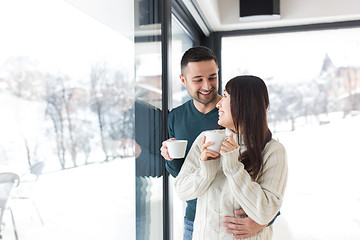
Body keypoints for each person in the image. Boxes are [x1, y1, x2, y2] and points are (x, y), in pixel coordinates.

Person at [160, 46, 274, 240]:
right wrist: (170, 159)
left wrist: (263, 222)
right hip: (195, 218)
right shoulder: (176, 117)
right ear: (183, 80)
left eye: (212, 77)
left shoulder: (236, 114)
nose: (207, 86)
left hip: (236, 221)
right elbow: (182, 175)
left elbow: (268, 174)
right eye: (198, 80)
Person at [174, 75, 288, 240]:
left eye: (225, 96)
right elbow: (182, 191)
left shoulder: (273, 151)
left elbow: (265, 212)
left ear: (244, 103)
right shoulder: (206, 139)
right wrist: (206, 170)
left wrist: (233, 167)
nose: (218, 103)